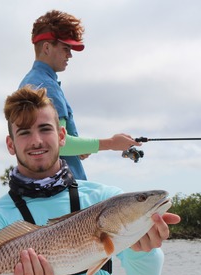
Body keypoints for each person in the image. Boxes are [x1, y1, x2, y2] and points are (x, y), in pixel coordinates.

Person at [0, 86, 180, 275]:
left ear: (62, 135)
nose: (36, 140)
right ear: (11, 144)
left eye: (45, 129)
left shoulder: (104, 197)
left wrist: (143, 250)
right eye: (24, 132)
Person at [19, 10, 141, 180]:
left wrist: (82, 148)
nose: (70, 55)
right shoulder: (46, 86)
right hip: (65, 191)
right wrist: (112, 144)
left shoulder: (31, 81)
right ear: (46, 47)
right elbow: (59, 144)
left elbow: (54, 142)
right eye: (65, 48)